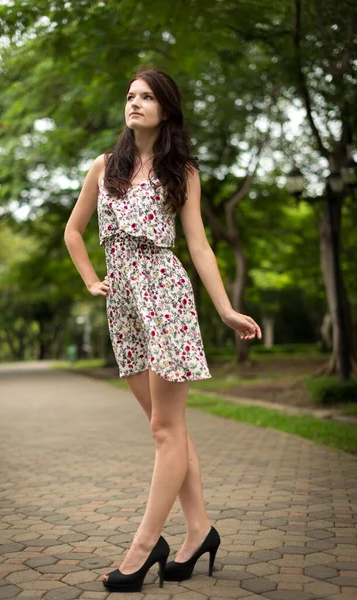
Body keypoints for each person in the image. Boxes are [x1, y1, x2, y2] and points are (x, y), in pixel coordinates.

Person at [64, 67, 262, 593]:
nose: (135, 103)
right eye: (129, 95)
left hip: (166, 295)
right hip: (123, 301)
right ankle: (199, 531)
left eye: (146, 97)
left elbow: (198, 245)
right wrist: (91, 280)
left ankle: (145, 546)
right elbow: (73, 231)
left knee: (163, 430)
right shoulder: (104, 167)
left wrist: (224, 309)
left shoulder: (183, 171)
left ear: (166, 109)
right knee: (166, 425)